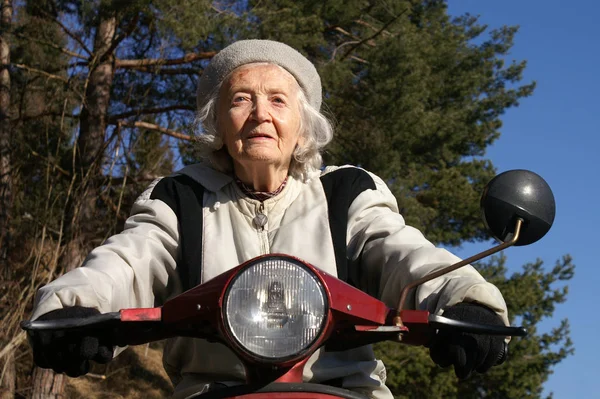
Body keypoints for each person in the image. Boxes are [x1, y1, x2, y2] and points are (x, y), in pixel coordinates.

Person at [29, 40, 510, 399]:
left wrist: (463, 299)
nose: (260, 113)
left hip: (342, 390)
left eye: (278, 101)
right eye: (240, 99)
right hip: (212, 391)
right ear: (216, 122)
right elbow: (129, 260)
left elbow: (398, 250)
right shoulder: (180, 197)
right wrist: (74, 307)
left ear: (304, 123)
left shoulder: (345, 192)